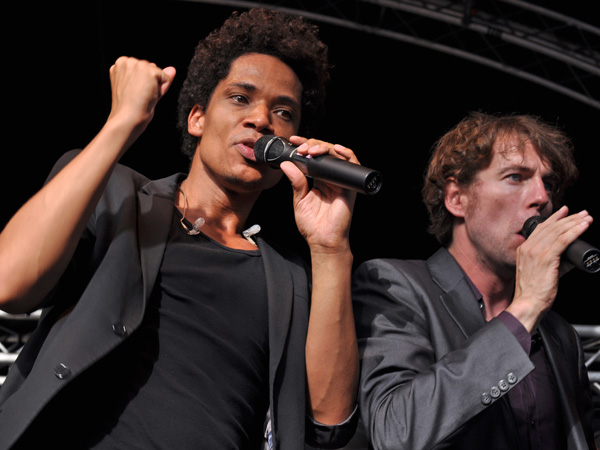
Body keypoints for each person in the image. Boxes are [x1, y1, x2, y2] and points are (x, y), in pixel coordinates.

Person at [0, 8, 359, 449]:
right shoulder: (115, 196)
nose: (262, 119)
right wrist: (121, 123)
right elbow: (9, 283)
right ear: (197, 118)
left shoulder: (291, 279)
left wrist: (330, 248)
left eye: (283, 111)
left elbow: (329, 423)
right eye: (241, 98)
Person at [352, 112, 598, 449]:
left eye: (549, 184)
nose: (542, 198)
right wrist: (525, 308)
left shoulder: (558, 333)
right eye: (515, 177)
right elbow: (396, 431)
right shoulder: (395, 286)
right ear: (457, 198)